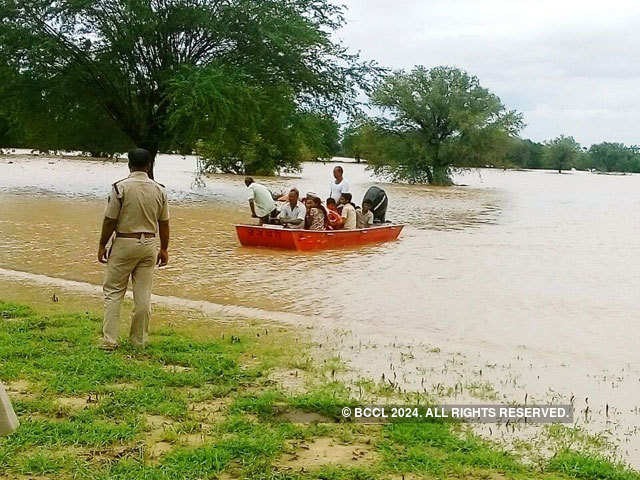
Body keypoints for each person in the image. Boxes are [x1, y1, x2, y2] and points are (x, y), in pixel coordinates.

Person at [98, 148, 170, 350]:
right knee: (143, 295)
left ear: (129, 164)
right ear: (149, 166)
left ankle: (110, 340)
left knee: (114, 291)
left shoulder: (120, 188)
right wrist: (164, 249)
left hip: (124, 242)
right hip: (149, 244)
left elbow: (110, 220)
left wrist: (102, 244)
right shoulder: (159, 190)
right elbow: (164, 223)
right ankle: (138, 341)